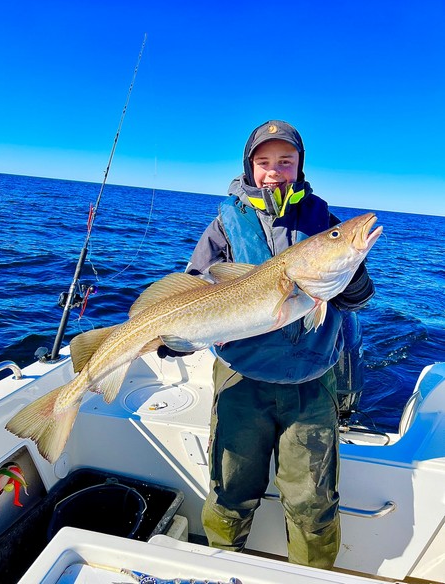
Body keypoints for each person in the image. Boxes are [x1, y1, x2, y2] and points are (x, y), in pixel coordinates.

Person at [160, 120, 375, 568]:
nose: (274, 171)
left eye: (285, 161)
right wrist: (176, 340)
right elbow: (194, 287)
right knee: (230, 490)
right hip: (242, 379)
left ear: (299, 166)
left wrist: (348, 264)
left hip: (312, 382)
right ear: (249, 167)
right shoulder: (224, 225)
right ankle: (219, 571)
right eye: (263, 162)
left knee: (313, 504)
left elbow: (355, 299)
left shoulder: (323, 221)